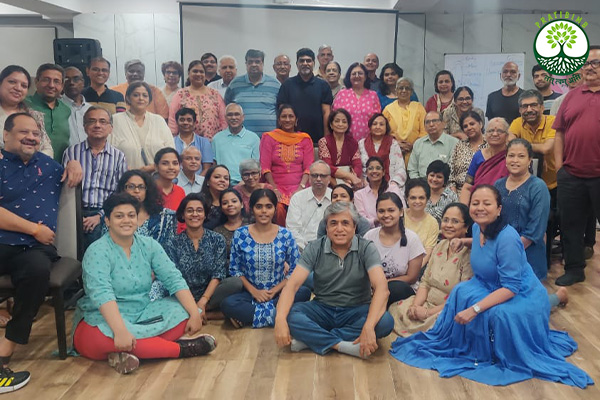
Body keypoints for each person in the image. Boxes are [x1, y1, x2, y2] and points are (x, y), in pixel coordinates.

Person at [389, 185, 593, 388]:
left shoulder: (508, 238)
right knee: (460, 292)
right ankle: (469, 345)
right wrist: (464, 241)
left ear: (499, 209)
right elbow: (484, 242)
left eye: (487, 203)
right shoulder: (478, 228)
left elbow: (511, 288)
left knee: (498, 315)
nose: (480, 208)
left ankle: (552, 301)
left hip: (518, 292)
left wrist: (474, 309)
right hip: (487, 284)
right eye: (475, 203)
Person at [73, 193, 217, 375]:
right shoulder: (97, 251)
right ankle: (181, 349)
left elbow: (173, 278)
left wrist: (194, 313)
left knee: (183, 310)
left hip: (142, 312)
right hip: (102, 319)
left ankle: (128, 351)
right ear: (107, 221)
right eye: (119, 216)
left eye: (131, 215)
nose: (126, 220)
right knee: (96, 337)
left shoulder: (149, 245)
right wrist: (120, 331)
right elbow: (102, 294)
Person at [0, 112, 81, 391]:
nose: (31, 138)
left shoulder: (49, 166)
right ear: (6, 135)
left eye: (36, 133)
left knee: (37, 272)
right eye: (24, 132)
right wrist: (34, 228)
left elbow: (73, 169)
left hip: (33, 250)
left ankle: (3, 355)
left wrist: (73, 163)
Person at [274, 201, 394, 358]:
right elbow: (292, 285)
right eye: (333, 223)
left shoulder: (366, 248)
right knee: (288, 314)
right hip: (322, 308)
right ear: (326, 227)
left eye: (345, 223)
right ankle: (341, 345)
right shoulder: (314, 247)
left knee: (385, 322)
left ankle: (311, 340)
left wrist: (369, 326)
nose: (339, 229)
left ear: (354, 227)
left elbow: (382, 289)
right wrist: (280, 319)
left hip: (356, 309)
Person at [221, 189, 311, 328]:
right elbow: (235, 269)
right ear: (252, 209)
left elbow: (295, 268)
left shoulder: (285, 235)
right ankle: (279, 315)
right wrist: (254, 292)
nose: (264, 211)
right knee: (228, 304)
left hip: (279, 292)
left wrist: (275, 290)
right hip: (250, 294)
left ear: (275, 209)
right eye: (259, 207)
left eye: (268, 206)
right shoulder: (241, 234)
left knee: (304, 292)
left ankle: (250, 316)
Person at [552, 45, 600, 286]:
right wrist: (560, 168)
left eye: (595, 63)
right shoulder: (571, 96)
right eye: (586, 63)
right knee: (570, 225)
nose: (589, 67)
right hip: (571, 174)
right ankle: (574, 269)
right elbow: (559, 133)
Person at [152, 193, 244, 318]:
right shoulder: (172, 243)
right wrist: (189, 302)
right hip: (182, 295)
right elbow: (174, 278)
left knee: (235, 283)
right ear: (183, 215)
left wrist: (203, 301)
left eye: (199, 210)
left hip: (210, 294)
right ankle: (210, 314)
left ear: (205, 215)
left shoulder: (217, 239)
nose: (195, 214)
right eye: (190, 211)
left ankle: (201, 311)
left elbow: (218, 274)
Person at [389, 203, 473, 337]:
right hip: (426, 303)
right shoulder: (440, 245)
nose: (448, 225)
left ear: (466, 227)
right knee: (395, 310)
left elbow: (460, 298)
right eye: (445, 220)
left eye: (455, 221)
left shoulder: (469, 254)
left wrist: (427, 313)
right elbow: (425, 282)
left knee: (439, 326)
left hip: (446, 309)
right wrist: (415, 306)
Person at [63, 106, 127, 248]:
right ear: (84, 127)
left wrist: (100, 216)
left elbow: (119, 193)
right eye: (92, 121)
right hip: (75, 213)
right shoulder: (71, 153)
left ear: (110, 128)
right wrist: (75, 216)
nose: (97, 125)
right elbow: (65, 190)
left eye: (102, 121)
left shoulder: (119, 157)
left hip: (104, 212)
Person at [495, 139, 550, 280]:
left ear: (529, 160)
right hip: (499, 251)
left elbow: (536, 229)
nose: (515, 160)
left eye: (521, 156)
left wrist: (510, 251)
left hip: (528, 253)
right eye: (511, 155)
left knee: (521, 292)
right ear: (505, 158)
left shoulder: (538, 187)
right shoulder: (498, 185)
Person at [364, 192, 425, 306]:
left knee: (393, 288)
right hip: (372, 290)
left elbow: (411, 277)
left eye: (391, 210)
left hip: (401, 291)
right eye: (381, 211)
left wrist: (382, 284)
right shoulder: (369, 236)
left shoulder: (412, 239)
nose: (386, 215)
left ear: (401, 212)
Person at [260, 104, 314, 225]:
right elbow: (265, 167)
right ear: (279, 120)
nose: (287, 119)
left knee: (302, 207)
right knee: (278, 208)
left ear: (296, 120)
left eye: (291, 116)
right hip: (276, 186)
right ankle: (281, 234)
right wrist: (274, 188)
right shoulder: (269, 137)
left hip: (300, 186)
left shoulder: (305, 139)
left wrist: (301, 188)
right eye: (284, 116)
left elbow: (308, 167)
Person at [110, 82, 174, 172]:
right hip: (125, 176)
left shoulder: (159, 120)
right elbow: (108, 151)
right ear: (128, 98)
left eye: (145, 95)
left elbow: (171, 152)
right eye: (136, 95)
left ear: (149, 99)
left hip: (157, 176)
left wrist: (153, 167)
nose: (141, 98)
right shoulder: (116, 120)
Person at [277, 48, 333, 144]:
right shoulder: (287, 85)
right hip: (291, 140)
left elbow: (326, 113)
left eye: (308, 61)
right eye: (302, 61)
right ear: (297, 64)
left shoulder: (323, 85)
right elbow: (282, 114)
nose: (305, 63)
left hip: (317, 140)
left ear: (313, 63)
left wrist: (326, 139)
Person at [509, 89, 557, 192]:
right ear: (520, 110)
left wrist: (521, 145)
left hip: (553, 184)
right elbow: (510, 144)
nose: (529, 110)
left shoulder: (553, 121)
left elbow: (546, 148)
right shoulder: (517, 123)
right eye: (525, 106)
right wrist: (535, 152)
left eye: (533, 105)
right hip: (525, 185)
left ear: (542, 107)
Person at [114, 170, 176, 248]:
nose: (136, 191)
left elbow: (170, 249)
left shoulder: (166, 217)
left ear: (148, 190)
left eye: (141, 187)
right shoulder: (112, 215)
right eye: (131, 186)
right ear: (123, 189)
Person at [0, 65, 53, 156]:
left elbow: (47, 149)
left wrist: (31, 161)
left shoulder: (34, 116)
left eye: (24, 86)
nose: (18, 88)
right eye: (12, 82)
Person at [225, 49, 281, 136]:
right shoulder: (235, 84)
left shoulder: (275, 84)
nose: (254, 65)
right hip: (242, 139)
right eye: (250, 62)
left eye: (257, 62)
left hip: (270, 138)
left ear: (263, 63)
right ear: (246, 64)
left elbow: (281, 110)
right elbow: (228, 107)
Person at [167, 61, 227, 140]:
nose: (198, 74)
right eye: (195, 71)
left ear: (205, 75)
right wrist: (173, 139)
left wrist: (222, 139)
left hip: (213, 141)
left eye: (201, 72)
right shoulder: (180, 94)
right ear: (189, 73)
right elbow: (173, 121)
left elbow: (223, 120)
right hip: (188, 143)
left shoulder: (215, 94)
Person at [25, 63, 71, 161]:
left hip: (60, 167)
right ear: (36, 81)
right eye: (46, 80)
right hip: (30, 166)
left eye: (56, 81)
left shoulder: (66, 109)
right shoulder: (24, 105)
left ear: (62, 85)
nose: (51, 85)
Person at [460, 117, 509, 204]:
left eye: (499, 131)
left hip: (503, 202)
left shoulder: (511, 157)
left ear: (507, 136)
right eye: (490, 131)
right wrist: (463, 209)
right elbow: (467, 187)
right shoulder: (479, 156)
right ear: (485, 135)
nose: (494, 134)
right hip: (477, 202)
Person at [286, 161, 333, 251]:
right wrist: (306, 249)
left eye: (322, 176)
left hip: (330, 249)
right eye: (314, 175)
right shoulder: (298, 198)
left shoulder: (335, 197)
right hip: (302, 250)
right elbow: (292, 229)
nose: (318, 179)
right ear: (309, 178)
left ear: (329, 179)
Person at [212, 103, 260, 185]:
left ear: (243, 117)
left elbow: (256, 166)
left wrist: (244, 183)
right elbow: (214, 164)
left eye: (237, 114)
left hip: (246, 184)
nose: (233, 117)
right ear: (225, 118)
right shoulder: (217, 139)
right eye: (230, 115)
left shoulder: (254, 138)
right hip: (223, 183)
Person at [332, 63, 381, 142]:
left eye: (360, 73)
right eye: (354, 74)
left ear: (365, 76)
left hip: (368, 142)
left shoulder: (373, 95)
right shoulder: (342, 94)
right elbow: (334, 117)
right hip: (344, 141)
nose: (357, 76)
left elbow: (377, 119)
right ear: (349, 77)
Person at [358, 113, 407, 190]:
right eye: (374, 124)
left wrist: (393, 184)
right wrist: (366, 183)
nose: (378, 127)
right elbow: (359, 168)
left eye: (381, 124)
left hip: (390, 185)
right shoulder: (361, 144)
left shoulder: (393, 144)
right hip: (366, 185)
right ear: (370, 127)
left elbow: (400, 168)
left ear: (386, 127)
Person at [383, 78, 426, 163]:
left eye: (407, 88)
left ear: (411, 92)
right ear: (396, 91)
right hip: (392, 152)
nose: (404, 90)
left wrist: (414, 145)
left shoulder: (419, 107)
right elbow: (383, 132)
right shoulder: (388, 109)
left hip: (416, 152)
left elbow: (424, 131)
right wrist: (396, 144)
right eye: (401, 88)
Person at [317, 108, 363, 188]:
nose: (340, 124)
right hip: (330, 179)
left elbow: (357, 165)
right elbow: (327, 167)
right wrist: (349, 176)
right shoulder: (323, 142)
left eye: (344, 122)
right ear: (331, 125)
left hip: (350, 182)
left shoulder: (353, 142)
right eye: (337, 121)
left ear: (348, 125)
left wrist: (351, 179)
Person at [355, 156, 404, 228]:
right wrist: (376, 220)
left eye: (378, 168)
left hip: (393, 228)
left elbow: (402, 209)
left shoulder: (393, 189)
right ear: (366, 173)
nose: (374, 171)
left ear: (383, 172)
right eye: (370, 168)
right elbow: (361, 220)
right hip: (369, 230)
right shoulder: (359, 195)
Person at [407, 111, 458, 179]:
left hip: (444, 183)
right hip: (420, 183)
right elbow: (412, 170)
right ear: (424, 127)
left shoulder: (454, 143)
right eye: (427, 122)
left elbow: (455, 171)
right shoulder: (418, 143)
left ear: (443, 124)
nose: (431, 124)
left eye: (434, 121)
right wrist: (419, 183)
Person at [448, 110, 487, 193]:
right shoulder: (459, 146)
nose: (469, 128)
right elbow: (451, 174)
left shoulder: (489, 145)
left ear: (480, 124)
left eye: (472, 124)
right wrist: (454, 194)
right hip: (459, 191)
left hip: (485, 191)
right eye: (465, 126)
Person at [403, 179, 439, 266]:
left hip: (419, 266)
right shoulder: (399, 216)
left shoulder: (432, 223)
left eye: (421, 198)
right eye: (413, 198)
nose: (417, 201)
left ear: (427, 199)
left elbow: (427, 253)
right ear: (407, 198)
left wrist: (413, 271)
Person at [213, 188, 250, 270]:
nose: (230, 204)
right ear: (221, 208)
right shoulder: (217, 232)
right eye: (225, 203)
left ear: (242, 204)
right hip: (228, 273)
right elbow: (217, 260)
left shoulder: (252, 226)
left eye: (234, 201)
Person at [172, 107, 213, 176]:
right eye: (182, 120)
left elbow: (206, 169)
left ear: (194, 123)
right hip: (176, 180)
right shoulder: (171, 141)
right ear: (177, 122)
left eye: (189, 120)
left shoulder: (204, 142)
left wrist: (197, 181)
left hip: (199, 181)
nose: (185, 123)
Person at [63, 66, 91, 145]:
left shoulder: (91, 109)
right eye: (66, 79)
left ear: (83, 83)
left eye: (76, 79)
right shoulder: (56, 107)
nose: (71, 83)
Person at [424, 160, 458, 224]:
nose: (434, 179)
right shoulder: (420, 194)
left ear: (445, 180)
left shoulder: (451, 196)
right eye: (432, 175)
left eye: (439, 177)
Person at [154, 148, 186, 212]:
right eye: (165, 163)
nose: (171, 167)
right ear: (156, 167)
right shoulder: (149, 190)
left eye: (175, 163)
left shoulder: (180, 191)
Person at [200, 164, 230, 230]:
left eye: (226, 178)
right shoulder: (199, 201)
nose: (222, 180)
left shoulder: (232, 202)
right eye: (217, 177)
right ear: (208, 181)